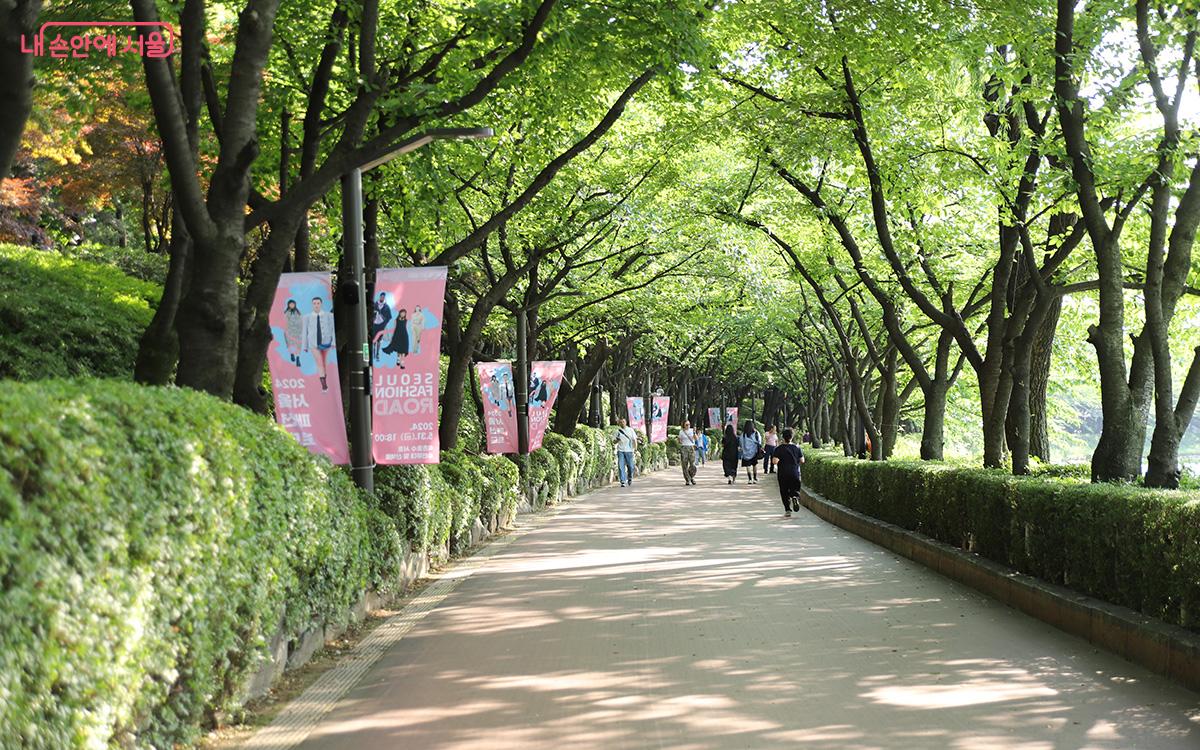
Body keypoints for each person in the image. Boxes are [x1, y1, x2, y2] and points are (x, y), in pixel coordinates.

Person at [301, 297, 336, 391]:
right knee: (319, 363)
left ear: (321, 304)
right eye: (314, 303)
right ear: (312, 305)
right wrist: (305, 345)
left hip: (326, 342)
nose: (316, 305)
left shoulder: (329, 315)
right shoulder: (307, 317)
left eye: (318, 303)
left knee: (324, 363)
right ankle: (324, 385)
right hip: (313, 343)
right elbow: (305, 332)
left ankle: (326, 379)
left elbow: (333, 329)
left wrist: (333, 342)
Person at [771, 428, 806, 517]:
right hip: (795, 472)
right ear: (792, 437)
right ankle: (795, 497)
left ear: (783, 437)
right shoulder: (797, 448)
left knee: (784, 491)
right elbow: (802, 460)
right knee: (795, 488)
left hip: (783, 473)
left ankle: (787, 510)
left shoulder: (778, 449)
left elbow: (774, 461)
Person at [613, 417, 640, 487]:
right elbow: (614, 442)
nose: (622, 423)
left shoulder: (630, 430)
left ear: (626, 422)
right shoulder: (617, 431)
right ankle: (623, 481)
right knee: (620, 465)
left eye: (623, 422)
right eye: (621, 422)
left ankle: (630, 478)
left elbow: (634, 440)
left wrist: (635, 448)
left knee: (630, 466)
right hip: (620, 450)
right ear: (619, 423)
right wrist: (617, 440)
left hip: (629, 451)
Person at [739, 419, 763, 484]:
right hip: (754, 452)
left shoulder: (743, 434)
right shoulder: (756, 433)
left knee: (748, 466)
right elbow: (760, 442)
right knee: (754, 465)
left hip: (746, 453)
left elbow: (741, 443)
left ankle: (750, 479)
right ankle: (755, 478)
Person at [370, 292, 392, 363]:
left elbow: (389, 317)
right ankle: (373, 353)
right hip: (374, 324)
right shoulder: (375, 305)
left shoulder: (386, 307)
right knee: (373, 339)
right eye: (381, 296)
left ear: (384, 298)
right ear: (379, 297)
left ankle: (377, 354)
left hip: (381, 325)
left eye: (383, 297)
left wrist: (384, 322)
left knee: (379, 340)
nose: (382, 298)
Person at [282, 299, 303, 366]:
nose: (292, 305)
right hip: (289, 331)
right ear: (288, 305)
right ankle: (292, 354)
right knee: (290, 345)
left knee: (298, 346)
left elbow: (301, 321)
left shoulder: (298, 312)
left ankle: (298, 358)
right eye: (290, 304)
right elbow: (284, 322)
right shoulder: (286, 313)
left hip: (298, 332)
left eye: (293, 304)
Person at [677, 420, 698, 486]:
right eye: (686, 424)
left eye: (689, 424)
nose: (688, 426)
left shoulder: (692, 430)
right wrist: (678, 440)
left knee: (693, 464)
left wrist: (694, 433)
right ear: (683, 425)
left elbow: (696, 439)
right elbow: (679, 441)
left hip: (691, 448)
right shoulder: (681, 432)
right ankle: (687, 480)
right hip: (684, 448)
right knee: (684, 465)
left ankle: (691, 477)